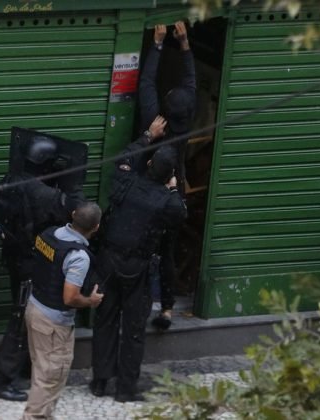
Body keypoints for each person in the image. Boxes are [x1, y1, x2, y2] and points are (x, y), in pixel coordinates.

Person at [90, 116, 187, 401]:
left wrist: (148, 135)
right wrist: (171, 188)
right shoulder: (167, 201)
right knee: (133, 329)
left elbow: (123, 157)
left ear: (147, 164)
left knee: (105, 320)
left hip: (108, 260)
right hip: (137, 268)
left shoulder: (126, 180)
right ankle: (125, 390)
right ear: (169, 175)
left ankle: (99, 382)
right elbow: (181, 214)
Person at [0, 135, 84, 401]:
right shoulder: (43, 194)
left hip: (15, 257)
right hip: (30, 263)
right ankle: (0, 380)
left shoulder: (10, 181)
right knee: (21, 319)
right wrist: (72, 183)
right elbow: (76, 211)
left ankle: (22, 369)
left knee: (24, 316)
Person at [138, 20, 196, 330]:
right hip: (177, 195)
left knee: (143, 247)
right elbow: (191, 81)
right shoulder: (187, 123)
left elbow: (146, 83)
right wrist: (184, 43)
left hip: (151, 192)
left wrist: (158, 44)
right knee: (169, 251)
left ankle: (139, 304)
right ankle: (168, 309)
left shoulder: (155, 122)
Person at [22, 201, 103, 420]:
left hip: (35, 308)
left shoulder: (49, 234)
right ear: (96, 227)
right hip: (53, 323)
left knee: (42, 371)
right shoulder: (78, 256)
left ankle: (43, 415)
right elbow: (70, 297)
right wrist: (91, 301)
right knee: (49, 377)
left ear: (74, 214)